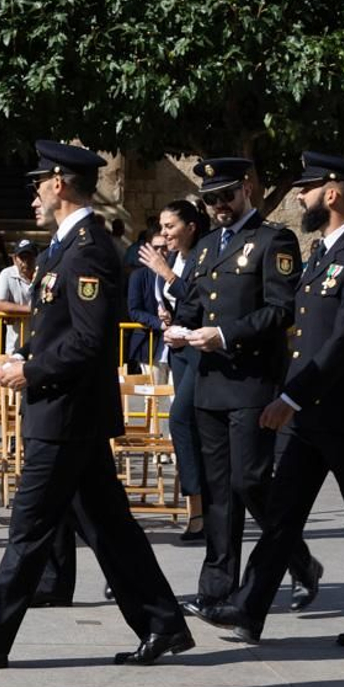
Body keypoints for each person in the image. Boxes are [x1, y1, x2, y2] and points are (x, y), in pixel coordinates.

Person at [0, 141, 192, 671]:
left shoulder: (86, 249)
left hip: (65, 415)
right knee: (110, 528)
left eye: (38, 183)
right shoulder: (66, 247)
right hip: (67, 414)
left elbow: (89, 342)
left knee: (28, 529)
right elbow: (58, 327)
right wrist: (21, 354)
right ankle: (162, 623)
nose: (34, 195)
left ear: (59, 183)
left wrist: (31, 370)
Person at [193, 152, 344, 647]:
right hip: (307, 414)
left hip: (343, 414)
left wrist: (290, 395)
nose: (301, 197)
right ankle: (248, 610)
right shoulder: (323, 252)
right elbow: (302, 333)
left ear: (332, 193)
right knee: (283, 515)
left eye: (307, 188)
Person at [170, 157, 320, 618]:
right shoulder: (208, 245)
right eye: (211, 199)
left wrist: (226, 335)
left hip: (251, 379)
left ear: (248, 188)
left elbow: (280, 309)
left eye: (226, 195)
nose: (218, 206)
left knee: (250, 481)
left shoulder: (274, 239)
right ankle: (216, 587)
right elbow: (194, 303)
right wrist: (177, 327)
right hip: (211, 382)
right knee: (218, 489)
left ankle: (297, 560)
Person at [140, 199, 210, 540]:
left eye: (170, 226)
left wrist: (167, 275)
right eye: (162, 227)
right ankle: (197, 510)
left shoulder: (202, 256)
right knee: (190, 428)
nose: (164, 233)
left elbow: (204, 300)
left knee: (181, 421)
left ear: (191, 227)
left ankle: (203, 509)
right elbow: (174, 302)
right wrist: (167, 319)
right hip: (178, 352)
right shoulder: (172, 258)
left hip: (202, 353)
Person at [124, 230, 164, 373]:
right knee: (154, 393)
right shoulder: (139, 276)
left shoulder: (178, 274)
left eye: (164, 248)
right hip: (149, 343)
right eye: (156, 248)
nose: (160, 252)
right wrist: (160, 324)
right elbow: (134, 311)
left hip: (177, 347)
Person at [0, 239, 38, 354]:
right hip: (16, 346)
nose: (26, 262)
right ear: (14, 259)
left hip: (41, 345)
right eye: (22, 258)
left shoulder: (45, 273)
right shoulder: (7, 274)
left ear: (37, 258)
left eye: (30, 257)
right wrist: (31, 310)